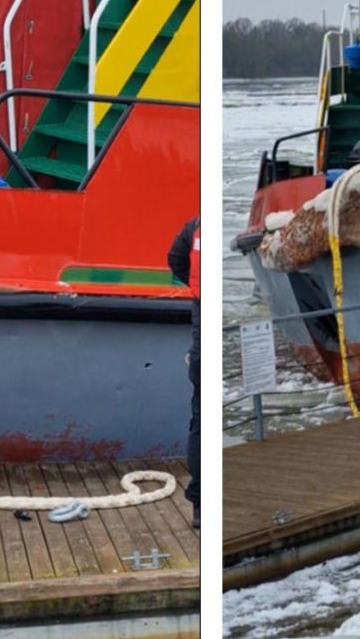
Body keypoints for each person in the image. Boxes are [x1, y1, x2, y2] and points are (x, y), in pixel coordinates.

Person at [167, 215, 200, 529]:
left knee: (199, 421)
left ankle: (200, 505)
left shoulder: (194, 226)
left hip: (200, 321)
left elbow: (174, 259)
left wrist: (194, 284)